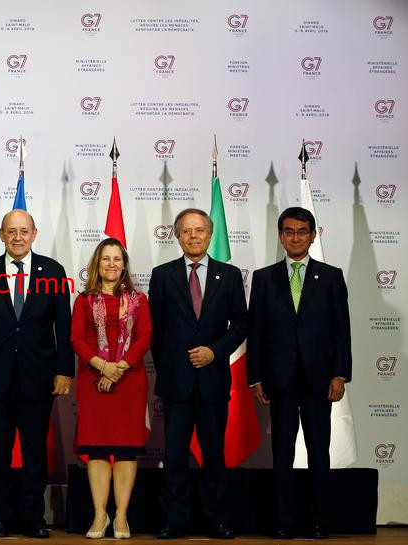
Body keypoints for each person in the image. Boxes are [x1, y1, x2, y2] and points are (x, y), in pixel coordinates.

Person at [0, 209, 74, 539]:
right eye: (11, 231)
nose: (17, 237)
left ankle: (33, 519)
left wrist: (64, 371)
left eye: (24, 231)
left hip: (38, 378)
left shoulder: (53, 271)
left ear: (34, 234)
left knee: (34, 453)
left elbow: (63, 326)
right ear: (1, 235)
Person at [247, 207, 350, 540]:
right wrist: (256, 377)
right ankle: (284, 521)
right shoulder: (264, 278)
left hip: (320, 379)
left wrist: (340, 374)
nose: (295, 237)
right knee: (282, 453)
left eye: (302, 231)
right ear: (281, 236)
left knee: (319, 452)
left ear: (313, 235)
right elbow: (256, 331)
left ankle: (319, 521)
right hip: (279, 380)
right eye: (289, 231)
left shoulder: (331, 276)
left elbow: (342, 330)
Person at [148, 208, 247, 540]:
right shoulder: (162, 275)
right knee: (174, 456)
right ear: (178, 236)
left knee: (214, 455)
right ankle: (174, 520)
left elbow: (241, 325)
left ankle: (216, 519)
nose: (193, 236)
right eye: (187, 231)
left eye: (199, 230)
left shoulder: (229, 275)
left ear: (209, 235)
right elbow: (156, 331)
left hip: (212, 381)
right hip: (176, 384)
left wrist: (215, 352)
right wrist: (170, 368)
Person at [70, 238, 151, 539]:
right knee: (98, 449)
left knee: (127, 449)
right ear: (97, 263)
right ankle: (99, 515)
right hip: (93, 381)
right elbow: (76, 339)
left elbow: (145, 338)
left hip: (129, 381)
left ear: (124, 265)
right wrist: (103, 366)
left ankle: (121, 517)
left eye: (117, 259)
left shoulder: (139, 301)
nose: (112, 264)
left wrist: (118, 368)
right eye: (106, 258)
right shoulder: (83, 300)